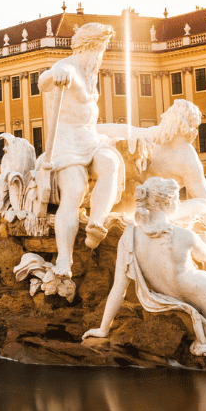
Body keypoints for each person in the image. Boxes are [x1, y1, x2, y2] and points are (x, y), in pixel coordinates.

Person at [84, 177, 206, 357]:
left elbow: (118, 288)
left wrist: (103, 328)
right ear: (168, 202)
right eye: (177, 199)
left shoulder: (129, 237)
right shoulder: (185, 234)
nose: (179, 203)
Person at [35, 22, 123, 276]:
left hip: (88, 138)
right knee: (74, 189)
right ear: (89, 46)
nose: (101, 54)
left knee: (110, 162)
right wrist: (56, 74)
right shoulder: (66, 66)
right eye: (100, 48)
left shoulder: (90, 72)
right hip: (65, 141)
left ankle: (96, 223)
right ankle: (64, 259)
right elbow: (43, 82)